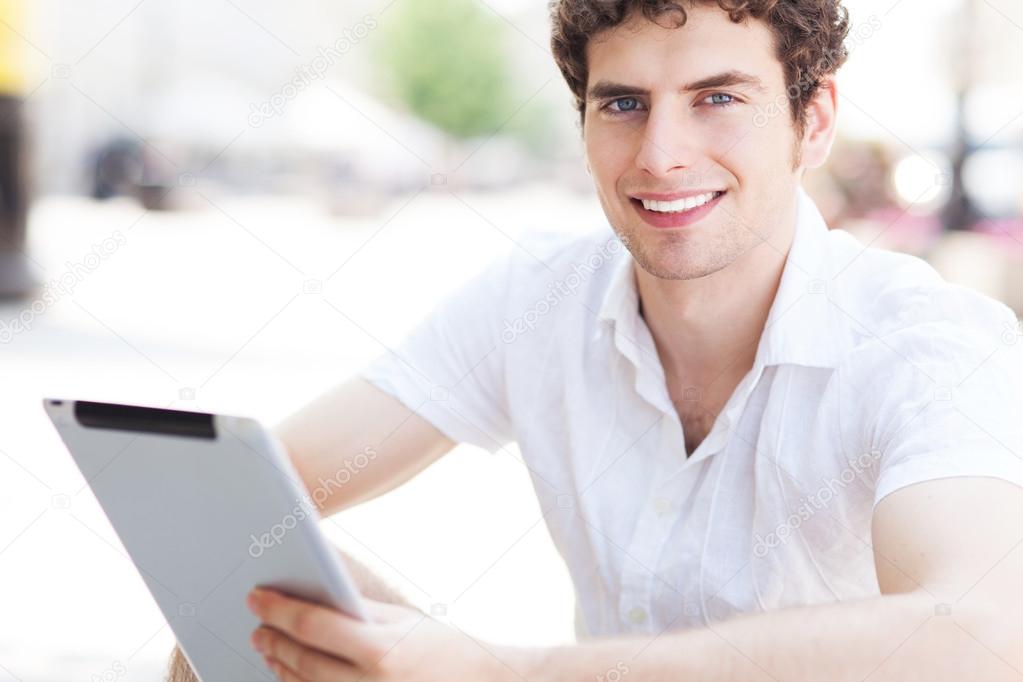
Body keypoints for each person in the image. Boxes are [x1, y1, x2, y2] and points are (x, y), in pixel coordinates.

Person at [172, 1, 1023, 679]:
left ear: (814, 119)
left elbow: (984, 638)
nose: (660, 155)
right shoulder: (537, 298)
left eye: (717, 98)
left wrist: (502, 674)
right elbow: (233, 496)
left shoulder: (927, 346)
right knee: (250, 601)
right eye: (622, 104)